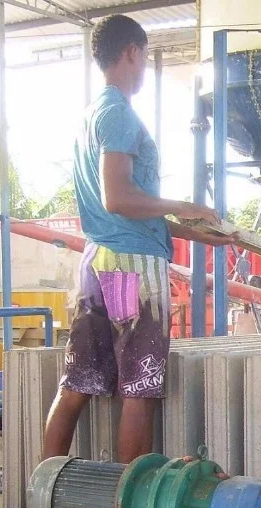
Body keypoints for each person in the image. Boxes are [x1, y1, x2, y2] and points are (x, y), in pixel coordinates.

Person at [42, 14, 228, 466]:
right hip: (133, 269)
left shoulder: (91, 115)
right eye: (143, 56)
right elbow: (119, 197)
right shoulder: (120, 115)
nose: (144, 66)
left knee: (76, 384)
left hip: (98, 262)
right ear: (132, 52)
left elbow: (130, 211)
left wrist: (196, 231)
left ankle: (39, 499)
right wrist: (184, 206)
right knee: (139, 388)